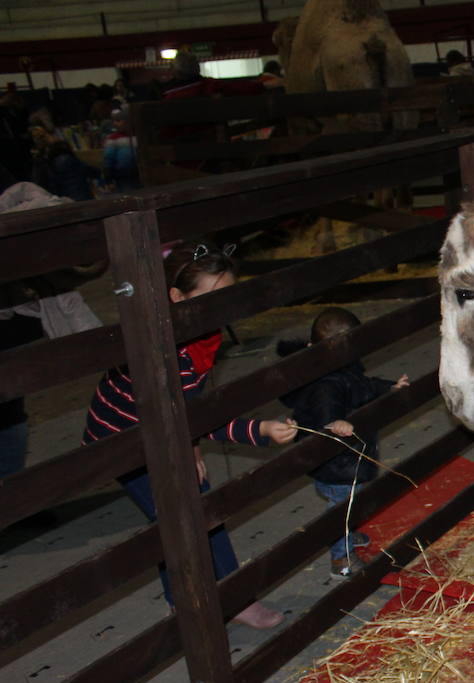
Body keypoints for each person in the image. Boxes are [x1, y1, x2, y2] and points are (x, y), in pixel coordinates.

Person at [82, 243, 297, 628]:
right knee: (176, 519)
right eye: (212, 298)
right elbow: (194, 413)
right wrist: (259, 430)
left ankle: (233, 595)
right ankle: (185, 605)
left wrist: (191, 444)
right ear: (176, 297)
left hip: (166, 426)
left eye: (228, 296)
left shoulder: (200, 330)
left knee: (201, 506)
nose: (223, 307)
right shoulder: (169, 350)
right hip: (122, 441)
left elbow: (191, 401)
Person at [278, 308, 408, 577]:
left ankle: (347, 535)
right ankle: (341, 559)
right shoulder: (325, 383)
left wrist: (389, 387)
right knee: (341, 511)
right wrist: (334, 422)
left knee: (351, 502)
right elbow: (326, 411)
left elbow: (363, 385)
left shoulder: (343, 368)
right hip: (336, 464)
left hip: (348, 458)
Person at [31, 138, 99, 201]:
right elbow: (91, 171)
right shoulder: (73, 160)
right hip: (83, 196)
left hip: (66, 200)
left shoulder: (50, 165)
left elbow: (52, 185)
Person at [101, 109, 139, 192]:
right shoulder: (113, 139)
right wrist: (108, 179)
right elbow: (108, 159)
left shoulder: (138, 136)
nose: (115, 124)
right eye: (114, 121)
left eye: (118, 121)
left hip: (139, 174)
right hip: (123, 177)